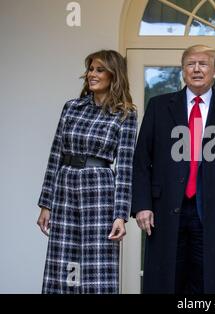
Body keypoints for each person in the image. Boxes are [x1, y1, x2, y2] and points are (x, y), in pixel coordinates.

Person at [132, 44, 215, 294]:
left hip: (214, 213)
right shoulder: (159, 106)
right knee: (164, 282)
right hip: (164, 211)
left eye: (203, 64)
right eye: (190, 64)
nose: (197, 69)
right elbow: (142, 160)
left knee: (208, 285)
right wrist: (142, 205)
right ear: (183, 71)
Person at [36, 50, 137, 293]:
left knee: (96, 266)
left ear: (114, 75)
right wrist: (46, 204)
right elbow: (55, 156)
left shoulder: (125, 114)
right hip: (65, 187)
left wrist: (120, 215)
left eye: (99, 69)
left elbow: (125, 167)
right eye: (91, 69)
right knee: (63, 263)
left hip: (99, 192)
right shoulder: (71, 108)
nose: (92, 74)